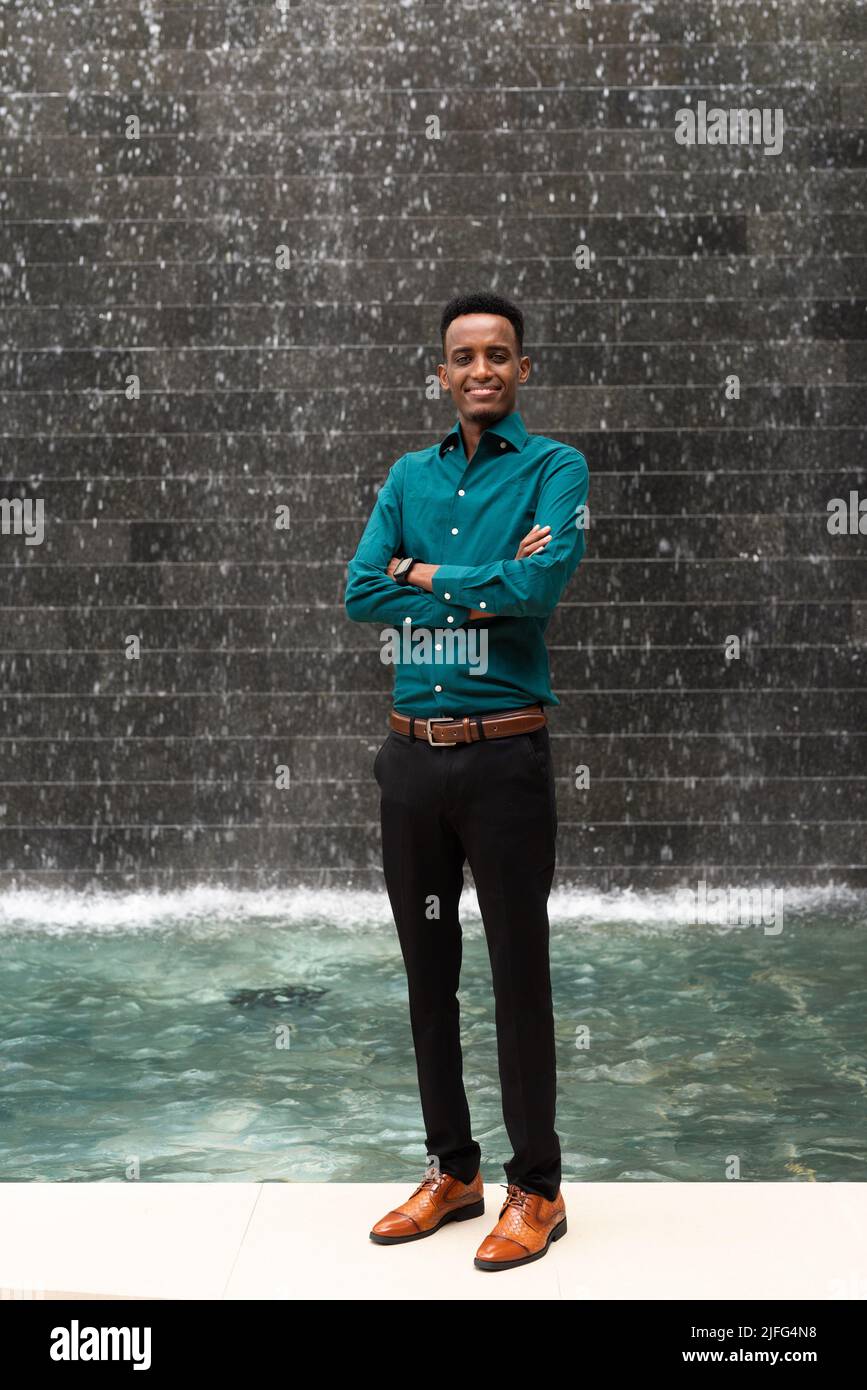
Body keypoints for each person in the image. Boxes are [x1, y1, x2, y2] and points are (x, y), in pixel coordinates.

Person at [344, 291, 589, 1271]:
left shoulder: (555, 468)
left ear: (521, 369)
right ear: (441, 373)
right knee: (428, 972)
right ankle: (456, 1170)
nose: (480, 369)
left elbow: (538, 589)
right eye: (463, 356)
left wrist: (429, 575)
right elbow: (364, 589)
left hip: (504, 759)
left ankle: (539, 1187)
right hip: (411, 764)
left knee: (518, 974)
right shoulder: (407, 473)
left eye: (498, 355)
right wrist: (476, 574)